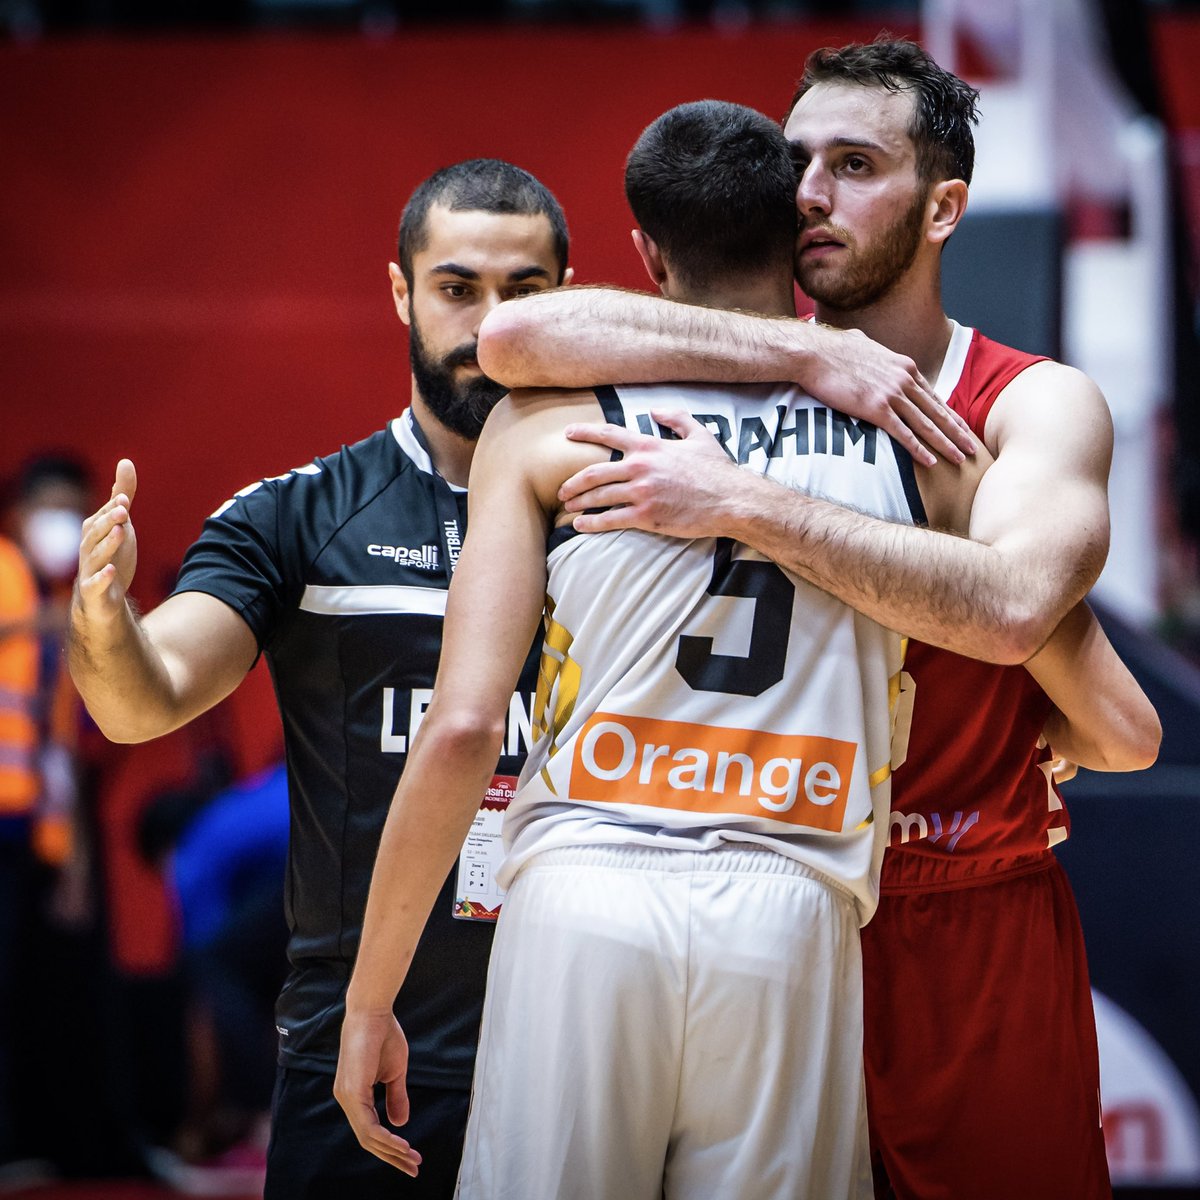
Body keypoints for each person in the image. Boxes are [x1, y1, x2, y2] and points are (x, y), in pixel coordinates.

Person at [473, 39, 1161, 1200]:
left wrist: (742, 501)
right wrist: (803, 347)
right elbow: (508, 340)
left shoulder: (1024, 403)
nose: (808, 194)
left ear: (943, 209)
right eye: (796, 161)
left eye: (854, 165)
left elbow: (1056, 657)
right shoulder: (722, 367)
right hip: (766, 886)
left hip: (958, 908)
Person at [336, 99, 994, 1200]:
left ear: (645, 254)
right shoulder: (911, 432)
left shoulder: (543, 423)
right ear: (795, 230)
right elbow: (1017, 624)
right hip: (792, 901)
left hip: (584, 892)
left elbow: (463, 728)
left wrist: (369, 998)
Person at [67, 159, 574, 1200]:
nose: (489, 324)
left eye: (523, 290)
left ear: (567, 296)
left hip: (584, 1050)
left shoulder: (631, 509)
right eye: (457, 287)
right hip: (358, 1060)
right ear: (400, 292)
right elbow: (140, 701)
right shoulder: (297, 516)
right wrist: (102, 622)